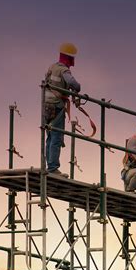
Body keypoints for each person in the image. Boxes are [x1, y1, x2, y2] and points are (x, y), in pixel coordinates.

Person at [44, 42, 81, 175]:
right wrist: (77, 88)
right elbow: (72, 83)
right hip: (56, 106)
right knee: (56, 137)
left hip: (46, 106)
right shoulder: (64, 70)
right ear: (70, 58)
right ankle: (53, 168)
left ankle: (48, 165)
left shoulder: (52, 67)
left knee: (49, 136)